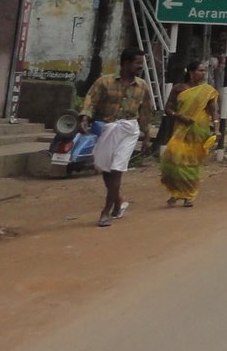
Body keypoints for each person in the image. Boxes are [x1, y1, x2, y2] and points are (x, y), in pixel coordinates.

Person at [82, 48, 156, 228]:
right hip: (106, 128)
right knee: (105, 168)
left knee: (117, 169)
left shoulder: (142, 86)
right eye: (138, 63)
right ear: (125, 63)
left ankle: (105, 212)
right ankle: (119, 200)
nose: (141, 67)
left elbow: (145, 112)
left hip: (129, 130)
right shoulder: (104, 82)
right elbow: (90, 100)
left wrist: (146, 135)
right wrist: (84, 117)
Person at [159, 59, 218, 207]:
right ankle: (175, 193)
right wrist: (179, 116)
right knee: (173, 162)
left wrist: (216, 128)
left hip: (199, 132)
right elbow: (168, 108)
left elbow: (213, 111)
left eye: (204, 70)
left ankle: (188, 196)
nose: (203, 73)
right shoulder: (179, 88)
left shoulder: (207, 91)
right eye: (200, 70)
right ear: (191, 72)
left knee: (192, 165)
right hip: (180, 130)